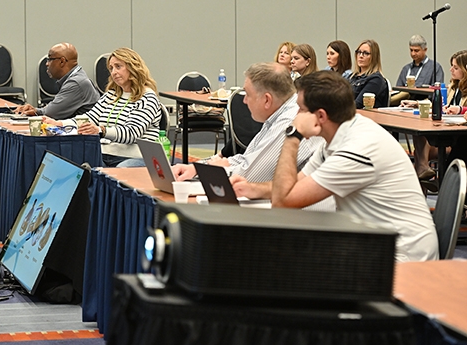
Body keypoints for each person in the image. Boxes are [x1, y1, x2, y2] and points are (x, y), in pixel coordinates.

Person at [231, 71, 438, 263]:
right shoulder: (339, 135)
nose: (296, 116)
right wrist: (253, 189)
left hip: (402, 258)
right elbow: (296, 184)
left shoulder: (357, 149)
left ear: (320, 116)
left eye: (301, 110)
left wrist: (293, 135)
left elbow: (283, 202)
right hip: (375, 245)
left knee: (282, 260)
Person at [173, 63, 327, 202]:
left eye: (247, 94)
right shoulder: (277, 115)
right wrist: (198, 167)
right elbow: (247, 159)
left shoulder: (289, 121)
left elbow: (250, 176)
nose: (244, 101)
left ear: (267, 100)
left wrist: (209, 169)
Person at [45, 47, 161, 167]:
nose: (114, 72)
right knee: (70, 164)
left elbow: (131, 133)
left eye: (118, 66)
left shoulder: (147, 97)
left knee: (116, 173)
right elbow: (90, 117)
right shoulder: (111, 95)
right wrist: (60, 123)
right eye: (111, 68)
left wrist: (101, 130)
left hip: (137, 157)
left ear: (133, 67)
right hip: (104, 153)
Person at [412, 50, 467, 179]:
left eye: (455, 67)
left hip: (458, 138)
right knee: (420, 148)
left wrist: (460, 109)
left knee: (421, 155)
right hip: (449, 130)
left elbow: (462, 109)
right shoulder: (453, 87)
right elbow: (441, 105)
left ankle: (429, 175)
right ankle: (424, 173)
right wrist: (415, 103)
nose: (451, 70)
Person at [15, 43, 99, 119]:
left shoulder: (76, 83)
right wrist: (35, 111)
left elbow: (50, 114)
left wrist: (37, 111)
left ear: (62, 61)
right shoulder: (76, 77)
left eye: (50, 59)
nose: (46, 64)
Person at [392, 35, 445, 106]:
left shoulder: (435, 67)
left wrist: (417, 103)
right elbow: (398, 91)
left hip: (424, 106)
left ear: (425, 50)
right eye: (411, 50)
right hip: (403, 105)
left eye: (416, 51)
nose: (413, 53)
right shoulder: (406, 68)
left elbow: (437, 93)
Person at [348, 39, 389, 108]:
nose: (361, 56)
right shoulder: (352, 77)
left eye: (366, 53)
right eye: (359, 52)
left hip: (364, 116)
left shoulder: (376, 79)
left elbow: (358, 104)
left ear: (374, 57)